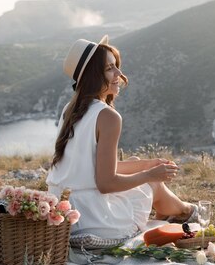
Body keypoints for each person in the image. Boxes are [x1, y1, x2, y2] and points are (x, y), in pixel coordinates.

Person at [46, 35, 197, 239]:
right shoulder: (108, 116)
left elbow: (92, 169)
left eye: (116, 66)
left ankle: (174, 213)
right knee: (150, 183)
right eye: (110, 68)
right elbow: (106, 183)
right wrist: (150, 175)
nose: (119, 73)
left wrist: (147, 164)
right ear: (93, 76)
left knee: (136, 163)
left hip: (64, 212)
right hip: (93, 220)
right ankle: (187, 212)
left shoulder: (70, 109)